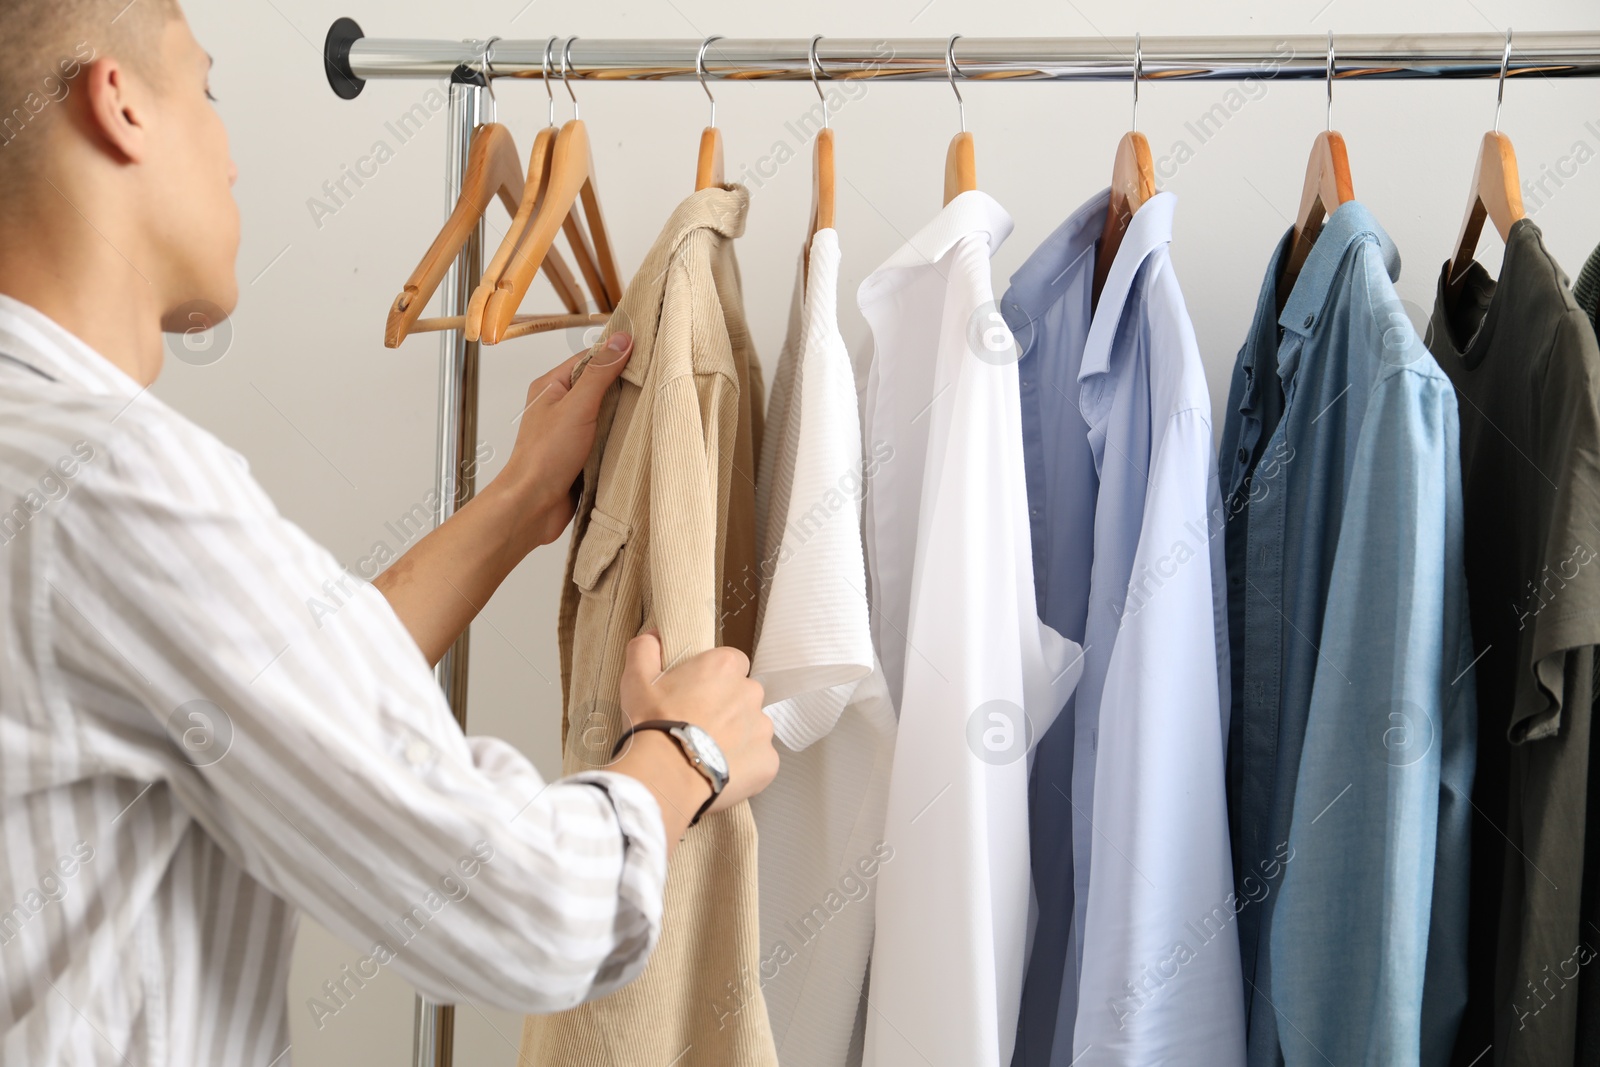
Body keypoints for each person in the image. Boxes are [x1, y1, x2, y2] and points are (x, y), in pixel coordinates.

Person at [0, 2, 778, 1063]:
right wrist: (681, 753)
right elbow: (516, 907)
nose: (231, 158)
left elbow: (260, 685)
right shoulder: (112, 482)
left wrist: (511, 506)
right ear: (119, 102)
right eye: (208, 89)